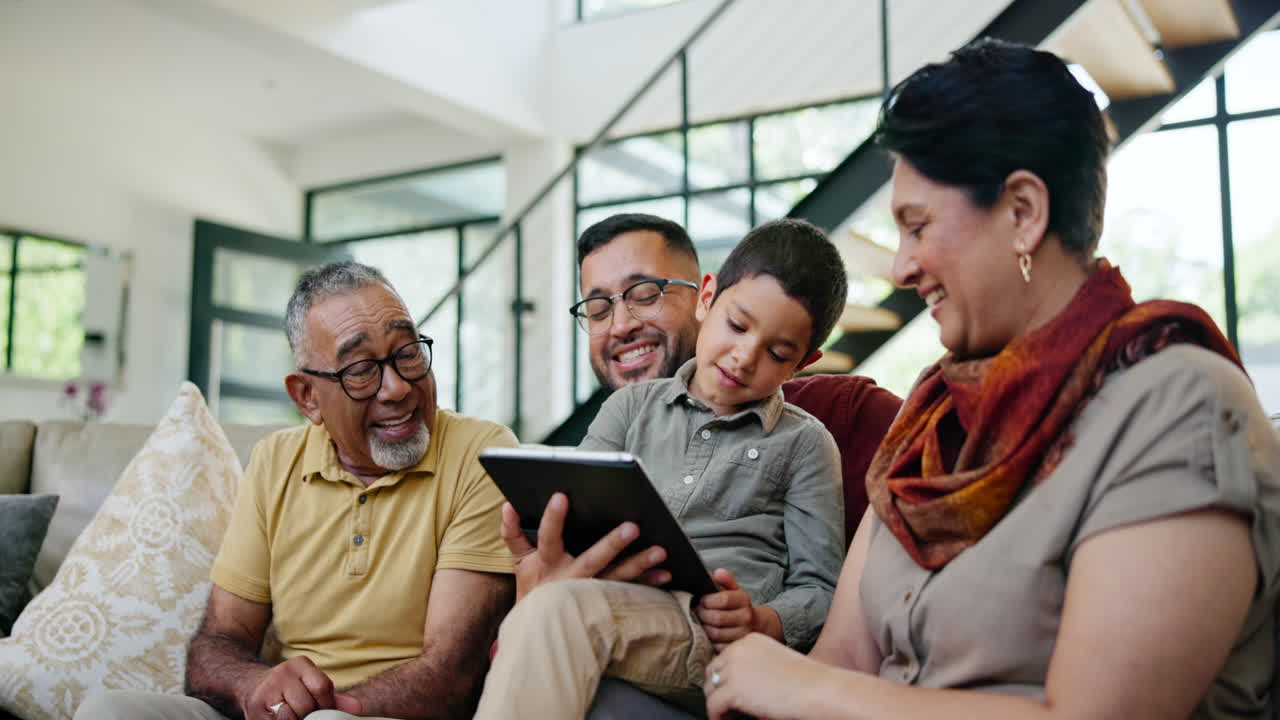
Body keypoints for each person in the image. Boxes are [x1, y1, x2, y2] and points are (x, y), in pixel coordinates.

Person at [701, 38, 1280, 720]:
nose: (901, 267)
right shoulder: (934, 417)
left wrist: (802, 688)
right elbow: (846, 657)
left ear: (1022, 214)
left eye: (917, 226)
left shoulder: (1177, 406)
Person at [77, 262, 517, 720]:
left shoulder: (482, 452)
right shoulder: (275, 460)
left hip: (380, 716)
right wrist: (254, 687)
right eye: (362, 370)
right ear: (307, 397)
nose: (398, 387)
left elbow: (452, 676)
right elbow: (215, 647)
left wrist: (307, 712)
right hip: (279, 714)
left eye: (407, 353)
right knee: (108, 710)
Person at [473, 219, 851, 720]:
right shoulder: (629, 408)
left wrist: (763, 620)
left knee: (558, 611)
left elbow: (823, 590)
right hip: (615, 612)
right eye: (737, 327)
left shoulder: (805, 444)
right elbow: (569, 504)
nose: (744, 356)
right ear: (708, 298)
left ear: (803, 362)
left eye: (777, 353)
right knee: (553, 610)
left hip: (711, 641)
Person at [563, 212, 903, 542]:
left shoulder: (836, 418)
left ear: (703, 298)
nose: (621, 325)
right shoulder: (613, 431)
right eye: (598, 310)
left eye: (646, 294)